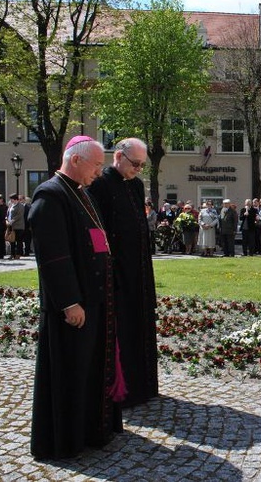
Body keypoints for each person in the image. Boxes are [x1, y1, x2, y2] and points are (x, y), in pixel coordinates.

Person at [29, 135, 124, 460]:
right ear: (76, 160)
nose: (99, 171)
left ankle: (91, 430)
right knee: (71, 372)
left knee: (91, 370)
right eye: (96, 165)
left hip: (94, 302)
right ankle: (66, 440)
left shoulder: (81, 194)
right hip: (73, 307)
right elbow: (54, 257)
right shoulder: (52, 196)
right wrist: (69, 301)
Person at [88, 137, 159, 408]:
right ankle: (124, 390)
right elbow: (97, 231)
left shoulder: (137, 185)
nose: (138, 169)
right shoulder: (101, 185)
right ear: (118, 156)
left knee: (141, 324)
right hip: (116, 271)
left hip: (139, 270)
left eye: (142, 165)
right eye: (135, 164)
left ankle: (145, 386)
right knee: (122, 328)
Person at [6, 193, 25, 259]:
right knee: (12, 240)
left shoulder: (20, 206)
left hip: (18, 226)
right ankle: (12, 254)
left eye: (12, 199)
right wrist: (7, 219)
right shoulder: (11, 205)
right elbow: (9, 213)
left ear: (15, 199)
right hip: (11, 226)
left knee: (19, 241)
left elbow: (19, 215)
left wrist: (11, 221)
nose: (11, 201)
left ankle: (18, 254)